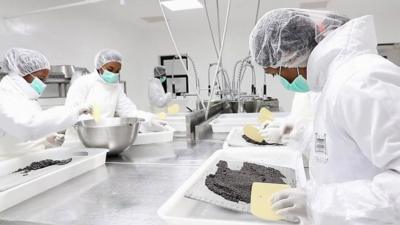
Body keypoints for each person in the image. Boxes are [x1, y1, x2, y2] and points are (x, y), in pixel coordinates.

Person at [249, 8, 400, 225]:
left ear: (290, 54)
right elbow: (337, 145)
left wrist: (317, 204)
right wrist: (291, 133)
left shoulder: (361, 82)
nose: (283, 81)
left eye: (276, 72)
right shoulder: (336, 81)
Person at [0, 48, 91, 159]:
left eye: (45, 80)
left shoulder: (27, 98)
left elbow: (33, 127)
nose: (43, 84)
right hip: (8, 167)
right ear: (20, 73)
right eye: (41, 78)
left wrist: (46, 139)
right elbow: (27, 127)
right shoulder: (4, 97)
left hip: (30, 164)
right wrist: (73, 111)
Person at [65, 49, 166, 134]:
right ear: (99, 67)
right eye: (110, 69)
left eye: (117, 71)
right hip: (79, 139)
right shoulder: (83, 83)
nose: (114, 73)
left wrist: (149, 120)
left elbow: (129, 112)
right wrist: (96, 127)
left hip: (104, 138)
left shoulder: (115, 88)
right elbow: (72, 113)